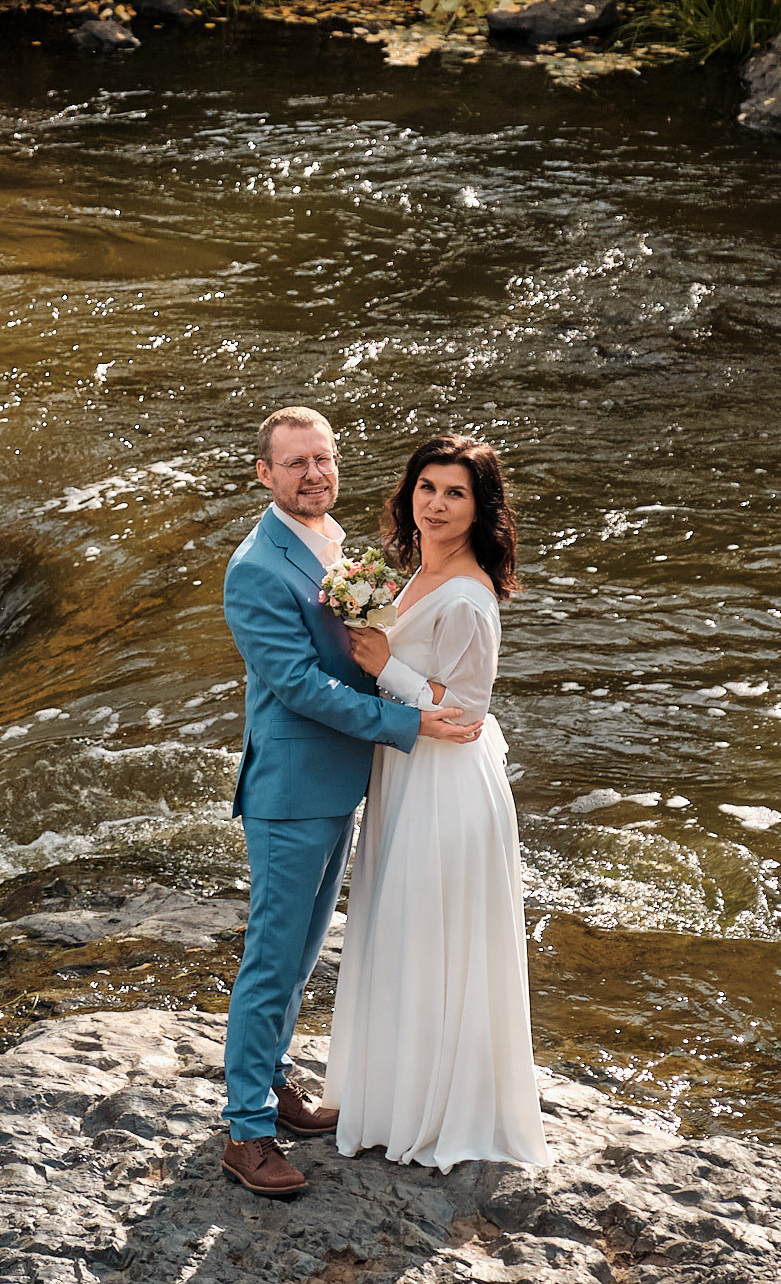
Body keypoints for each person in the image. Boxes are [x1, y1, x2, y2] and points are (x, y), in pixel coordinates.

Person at [218, 407, 479, 1198]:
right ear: (264, 474)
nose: (314, 475)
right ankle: (245, 1132)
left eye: (323, 459)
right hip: (292, 790)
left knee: (302, 956)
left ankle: (274, 1084)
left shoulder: (332, 543)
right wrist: (408, 722)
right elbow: (300, 686)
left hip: (340, 782)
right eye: (295, 463)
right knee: (272, 958)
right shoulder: (256, 568)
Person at [325, 433, 549, 1169]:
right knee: (399, 932)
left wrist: (386, 665)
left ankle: (442, 1110)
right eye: (428, 488)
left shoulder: (470, 597)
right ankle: (391, 1097)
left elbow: (464, 715)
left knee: (430, 935)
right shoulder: (417, 574)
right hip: (406, 771)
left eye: (456, 493)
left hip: (447, 785)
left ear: (481, 509)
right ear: (409, 494)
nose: (438, 505)